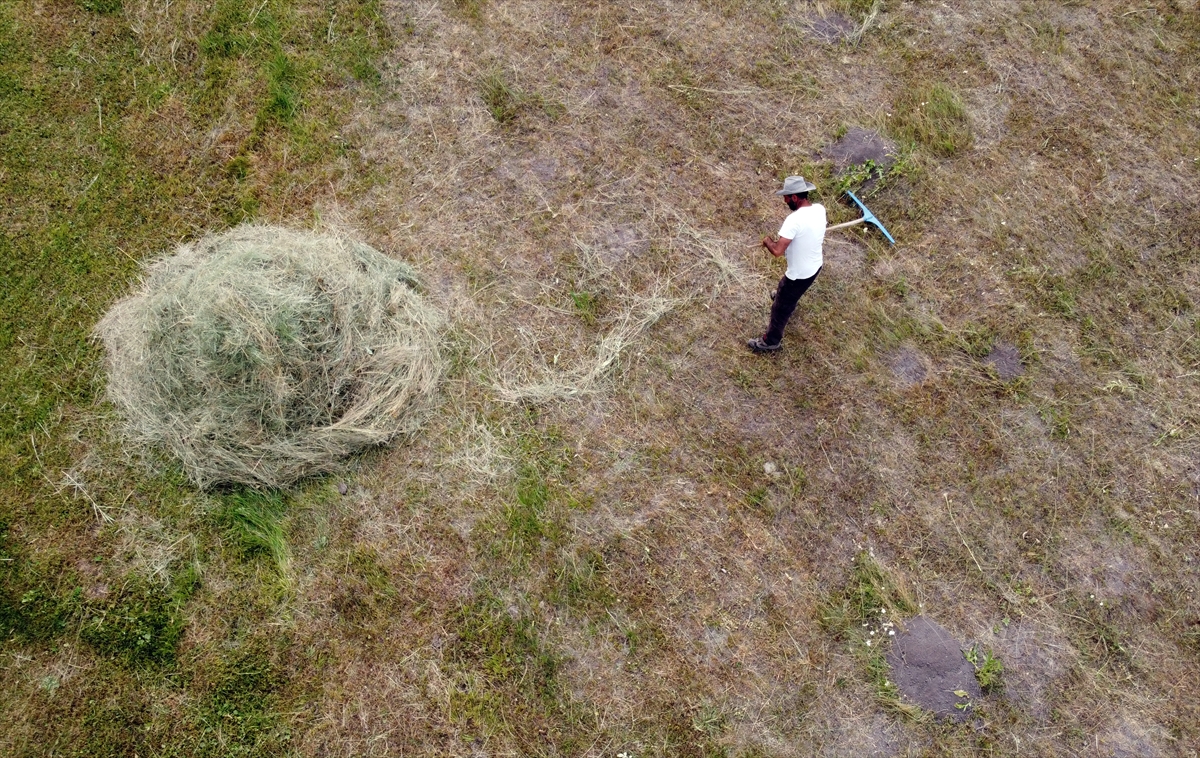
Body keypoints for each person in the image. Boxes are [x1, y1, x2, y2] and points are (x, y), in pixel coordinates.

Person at [747, 175, 826, 353]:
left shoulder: (794, 220)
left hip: (799, 274)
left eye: (786, 196)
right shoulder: (819, 209)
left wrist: (768, 241)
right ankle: (787, 299)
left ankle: (771, 341)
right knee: (787, 292)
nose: (784, 200)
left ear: (795, 197)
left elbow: (777, 251)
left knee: (780, 308)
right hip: (815, 266)